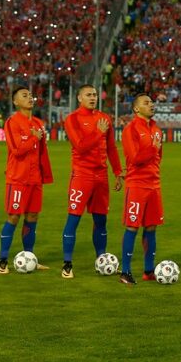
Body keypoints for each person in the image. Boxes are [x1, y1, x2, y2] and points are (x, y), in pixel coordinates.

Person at [60, 84, 123, 279]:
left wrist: (118, 172)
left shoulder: (104, 118)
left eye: (95, 94)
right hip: (81, 176)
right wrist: (97, 132)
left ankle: (101, 259)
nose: (93, 97)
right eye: (88, 94)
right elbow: (80, 147)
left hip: (101, 176)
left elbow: (111, 147)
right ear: (79, 98)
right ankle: (67, 264)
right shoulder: (72, 119)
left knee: (101, 220)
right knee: (74, 218)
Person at [0, 86, 53, 274]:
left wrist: (45, 175)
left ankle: (29, 256)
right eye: (24, 95)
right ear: (15, 102)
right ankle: (3, 260)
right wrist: (32, 139)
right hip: (18, 178)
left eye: (30, 95)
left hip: (35, 179)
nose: (29, 97)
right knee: (13, 217)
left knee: (32, 217)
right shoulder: (12, 121)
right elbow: (16, 149)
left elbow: (42, 153)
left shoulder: (38, 122)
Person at [119, 94, 163, 285]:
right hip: (137, 185)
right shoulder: (130, 129)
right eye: (146, 103)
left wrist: (154, 151)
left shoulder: (156, 130)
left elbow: (158, 158)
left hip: (154, 184)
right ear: (136, 109)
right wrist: (153, 148)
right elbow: (135, 158)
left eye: (152, 102)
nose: (151, 105)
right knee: (132, 226)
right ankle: (125, 272)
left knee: (151, 227)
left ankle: (148, 270)